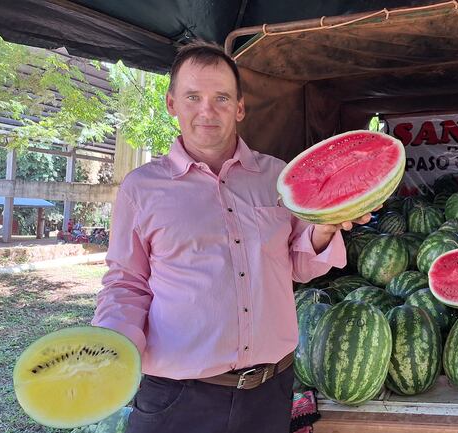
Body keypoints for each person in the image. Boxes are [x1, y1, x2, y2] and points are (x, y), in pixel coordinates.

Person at [91, 40, 368, 433]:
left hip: (269, 392)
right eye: (193, 97)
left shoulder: (279, 178)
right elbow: (126, 282)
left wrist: (323, 228)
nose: (207, 110)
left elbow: (299, 267)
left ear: (240, 107)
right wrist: (114, 344)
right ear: (172, 103)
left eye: (221, 98)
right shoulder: (142, 188)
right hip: (178, 396)